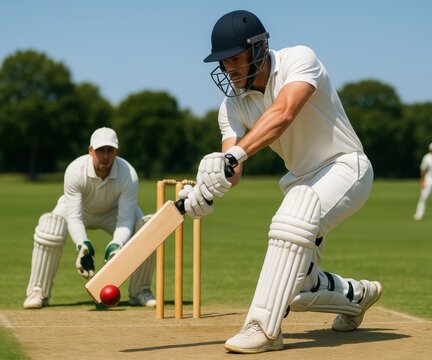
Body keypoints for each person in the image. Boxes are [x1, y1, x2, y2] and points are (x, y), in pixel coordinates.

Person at [180, 10, 382, 353]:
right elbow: (233, 170)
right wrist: (206, 189)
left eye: (235, 59)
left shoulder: (299, 59)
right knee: (296, 287)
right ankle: (356, 296)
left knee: (292, 217)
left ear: (260, 48)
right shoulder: (231, 106)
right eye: (224, 62)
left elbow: (284, 112)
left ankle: (263, 329)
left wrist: (232, 158)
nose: (230, 69)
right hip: (300, 182)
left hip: (346, 167)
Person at [23, 127, 156, 309]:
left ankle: (141, 290)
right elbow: (74, 216)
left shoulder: (128, 174)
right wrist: (83, 246)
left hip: (112, 212)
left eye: (110, 150)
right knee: (49, 227)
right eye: (100, 150)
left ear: (116, 151)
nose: (105, 156)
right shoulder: (75, 170)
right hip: (79, 210)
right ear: (90, 151)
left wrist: (117, 244)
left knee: (148, 230)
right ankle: (38, 291)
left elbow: (125, 218)